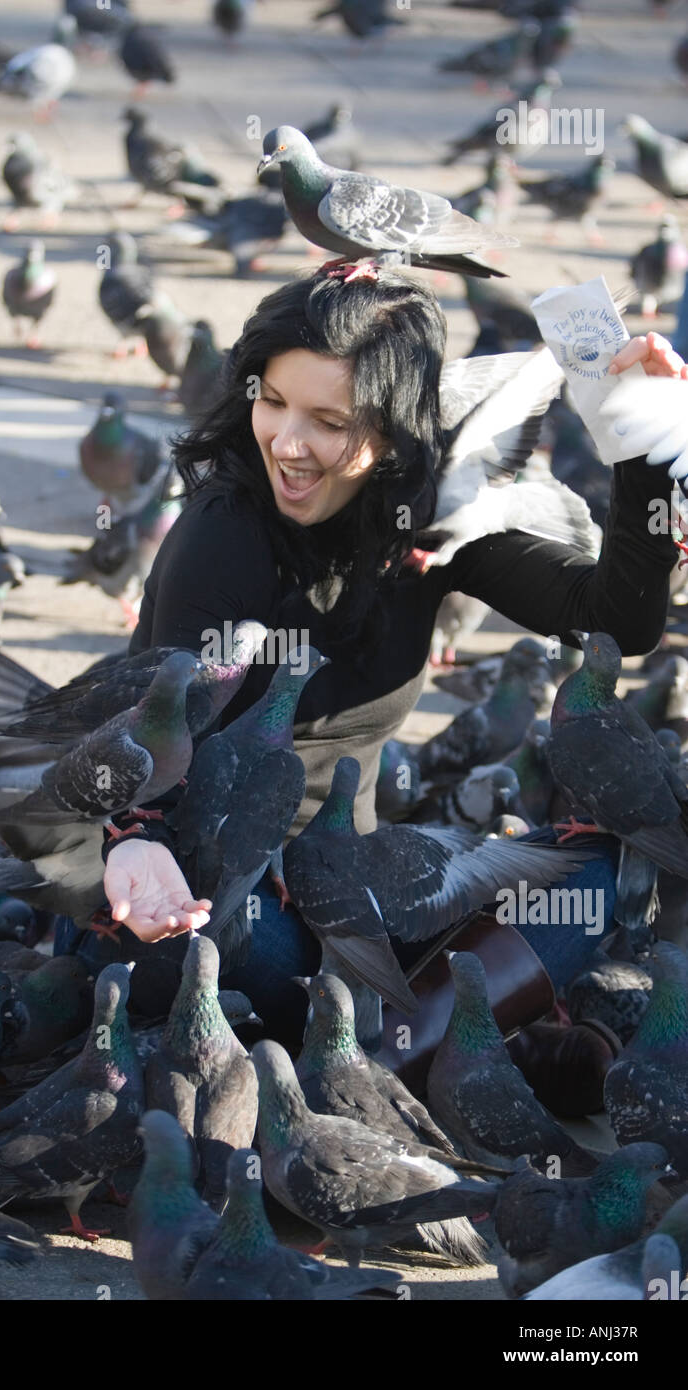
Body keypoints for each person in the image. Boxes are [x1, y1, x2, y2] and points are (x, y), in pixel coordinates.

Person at [55, 268, 686, 1044]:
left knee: (615, 852)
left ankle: (389, 1050)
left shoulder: (427, 525)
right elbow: (151, 728)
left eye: (328, 419)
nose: (287, 442)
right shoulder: (222, 534)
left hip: (361, 887)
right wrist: (134, 842)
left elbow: (615, 621)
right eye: (273, 401)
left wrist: (643, 445)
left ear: (392, 431)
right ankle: (412, 1048)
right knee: (235, 931)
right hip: (196, 883)